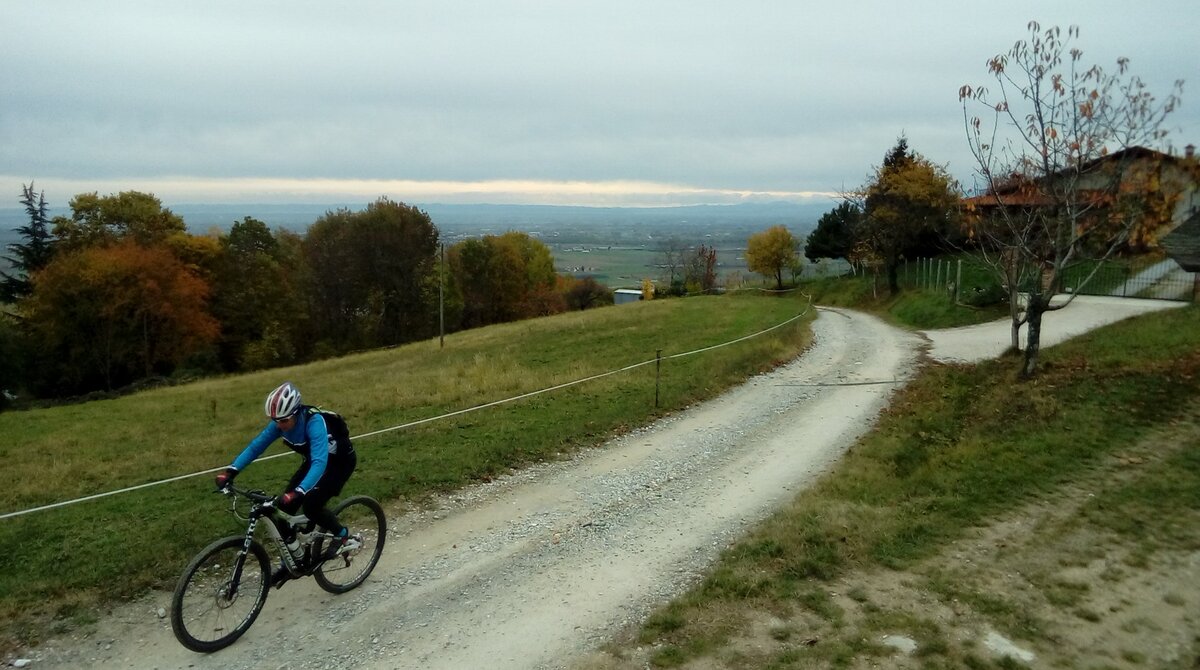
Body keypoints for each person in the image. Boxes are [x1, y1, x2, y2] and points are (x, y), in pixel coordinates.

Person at [215, 381, 359, 569]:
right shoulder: (279, 424)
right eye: (276, 420)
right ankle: (294, 558)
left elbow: (319, 462)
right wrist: (231, 471)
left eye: (284, 421)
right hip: (315, 461)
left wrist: (300, 490)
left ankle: (342, 534)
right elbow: (255, 447)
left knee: (311, 506)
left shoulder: (314, 422)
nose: (280, 425)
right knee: (282, 511)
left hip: (339, 464)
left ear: (296, 413)